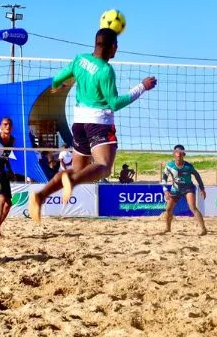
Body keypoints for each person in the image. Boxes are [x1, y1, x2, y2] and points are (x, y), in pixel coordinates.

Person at [28, 28, 157, 222]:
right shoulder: (106, 70)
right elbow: (114, 103)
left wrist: (58, 87)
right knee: (103, 167)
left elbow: (56, 79)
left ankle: (40, 196)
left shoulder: (80, 59)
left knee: (77, 170)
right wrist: (142, 88)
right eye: (116, 46)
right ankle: (70, 180)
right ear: (112, 47)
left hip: (79, 123)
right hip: (99, 123)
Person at [159, 145, 207, 236]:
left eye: (180, 153)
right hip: (175, 189)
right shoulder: (169, 165)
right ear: (174, 154)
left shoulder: (188, 166)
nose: (178, 154)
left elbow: (197, 176)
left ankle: (203, 229)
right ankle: (167, 228)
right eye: (177, 152)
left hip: (188, 188)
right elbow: (164, 178)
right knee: (168, 210)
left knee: (193, 207)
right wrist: (165, 190)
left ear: (183, 154)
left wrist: (202, 188)